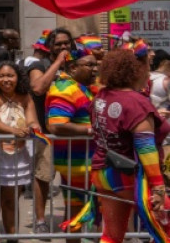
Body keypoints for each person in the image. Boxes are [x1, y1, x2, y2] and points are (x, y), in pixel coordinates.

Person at [91, 45, 170, 243]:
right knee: (166, 231)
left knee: (111, 236)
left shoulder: (102, 96)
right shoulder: (136, 102)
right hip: (130, 176)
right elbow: (146, 148)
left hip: (103, 172)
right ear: (137, 69)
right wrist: (159, 188)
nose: (149, 73)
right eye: (147, 65)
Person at [0, 61, 39, 237]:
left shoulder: (25, 96)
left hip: (18, 155)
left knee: (10, 202)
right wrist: (15, 131)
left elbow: (33, 120)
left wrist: (34, 129)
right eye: (1, 76)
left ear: (18, 78)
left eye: (10, 76)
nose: (6, 80)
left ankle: (12, 238)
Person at [46, 50, 96, 242]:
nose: (95, 69)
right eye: (89, 65)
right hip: (75, 163)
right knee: (76, 211)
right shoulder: (65, 88)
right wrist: (90, 131)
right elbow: (57, 124)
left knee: (81, 211)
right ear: (73, 67)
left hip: (85, 161)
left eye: (95, 64)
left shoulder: (80, 86)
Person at [26, 27, 72, 234]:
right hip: (47, 133)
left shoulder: (75, 66)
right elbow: (37, 88)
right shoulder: (39, 65)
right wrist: (57, 64)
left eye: (66, 43)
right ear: (50, 46)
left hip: (71, 133)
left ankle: (72, 219)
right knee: (43, 177)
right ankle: (40, 220)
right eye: (59, 44)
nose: (63, 47)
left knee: (72, 179)